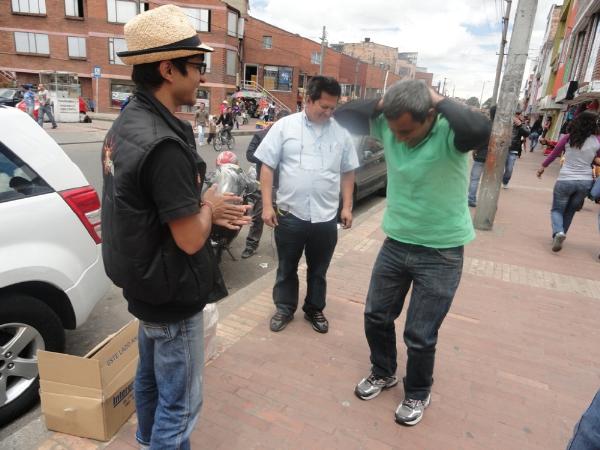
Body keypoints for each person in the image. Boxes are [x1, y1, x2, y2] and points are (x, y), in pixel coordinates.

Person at [100, 6, 249, 449]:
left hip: (144, 284)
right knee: (179, 407)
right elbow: (189, 238)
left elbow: (145, 208)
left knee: (149, 382)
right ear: (168, 69)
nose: (202, 76)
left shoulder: (127, 122)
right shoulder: (163, 143)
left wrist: (200, 208)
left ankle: (147, 441)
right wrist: (209, 207)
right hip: (170, 292)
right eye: (197, 65)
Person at [334, 79, 491, 426]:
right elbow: (342, 115)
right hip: (396, 242)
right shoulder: (390, 123)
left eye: (406, 131)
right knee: (376, 315)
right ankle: (383, 371)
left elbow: (481, 130)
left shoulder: (450, 132)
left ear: (431, 115)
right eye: (394, 130)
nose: (399, 138)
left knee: (419, 334)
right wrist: (387, 101)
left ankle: (418, 391)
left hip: (442, 251)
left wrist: (436, 97)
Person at [255, 75, 359, 334]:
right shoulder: (284, 127)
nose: (329, 112)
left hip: (325, 216)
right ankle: (284, 308)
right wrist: (266, 206)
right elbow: (267, 166)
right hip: (291, 214)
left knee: (319, 269)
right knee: (286, 267)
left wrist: (347, 207)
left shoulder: (341, 133)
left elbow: (348, 171)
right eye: (324, 106)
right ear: (308, 100)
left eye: (333, 107)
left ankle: (314, 308)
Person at [536, 111, 600, 252]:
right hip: (585, 182)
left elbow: (554, 154)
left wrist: (542, 167)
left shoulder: (568, 138)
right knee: (570, 211)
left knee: (557, 209)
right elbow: (597, 160)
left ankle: (558, 232)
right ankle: (560, 234)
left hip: (565, 180)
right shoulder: (597, 141)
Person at [241, 109, 289, 259]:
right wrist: (268, 157)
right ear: (276, 121)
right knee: (258, 216)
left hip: (284, 185)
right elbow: (249, 155)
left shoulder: (291, 138)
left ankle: (283, 247)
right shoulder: (262, 135)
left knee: (283, 218)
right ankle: (251, 245)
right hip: (264, 184)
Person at [468, 105, 496, 207]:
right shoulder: (501, 127)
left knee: (475, 179)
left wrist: (475, 150)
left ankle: (471, 199)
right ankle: (488, 201)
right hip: (494, 157)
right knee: (490, 181)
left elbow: (479, 140)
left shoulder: (485, 125)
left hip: (480, 156)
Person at [502, 110, 530, 188]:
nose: (517, 116)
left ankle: (505, 181)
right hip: (502, 149)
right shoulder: (505, 122)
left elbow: (527, 134)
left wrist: (520, 125)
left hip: (512, 150)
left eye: (519, 114)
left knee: (509, 169)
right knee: (497, 168)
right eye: (516, 114)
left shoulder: (522, 125)